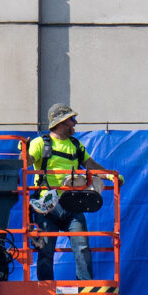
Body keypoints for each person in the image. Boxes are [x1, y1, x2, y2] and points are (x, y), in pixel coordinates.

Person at [28, 103, 120, 282]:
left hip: (71, 202)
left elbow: (90, 165)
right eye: (71, 119)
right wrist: (24, 154)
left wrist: (110, 176)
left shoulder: (75, 145)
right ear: (61, 122)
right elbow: (26, 161)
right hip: (46, 205)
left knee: (82, 247)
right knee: (45, 250)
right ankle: (46, 288)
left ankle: (85, 286)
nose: (75, 123)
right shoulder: (40, 143)